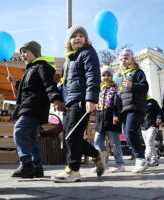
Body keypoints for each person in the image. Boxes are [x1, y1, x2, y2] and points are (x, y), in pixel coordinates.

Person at [51, 26, 104, 183]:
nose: (78, 38)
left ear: (86, 39)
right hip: (69, 102)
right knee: (69, 137)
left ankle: (73, 170)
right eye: (74, 36)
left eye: (81, 35)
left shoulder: (88, 53)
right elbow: (65, 82)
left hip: (81, 99)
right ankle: (96, 154)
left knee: (72, 136)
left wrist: (91, 99)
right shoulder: (69, 59)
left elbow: (93, 75)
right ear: (68, 41)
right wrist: (60, 100)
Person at [8, 40, 65, 178]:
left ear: (35, 52)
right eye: (21, 52)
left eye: (25, 51)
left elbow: (48, 84)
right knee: (32, 138)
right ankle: (37, 167)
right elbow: (28, 88)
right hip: (29, 105)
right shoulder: (30, 69)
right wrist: (16, 83)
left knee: (19, 131)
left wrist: (56, 98)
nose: (22, 54)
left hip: (33, 106)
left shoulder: (41, 66)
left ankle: (26, 164)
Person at [116, 48, 149, 173]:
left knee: (130, 131)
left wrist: (132, 85)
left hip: (135, 107)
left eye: (126, 58)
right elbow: (118, 96)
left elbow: (145, 87)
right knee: (128, 135)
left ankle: (141, 159)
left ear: (131, 59)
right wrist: (116, 112)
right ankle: (140, 158)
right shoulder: (120, 78)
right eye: (121, 59)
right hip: (124, 109)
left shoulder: (137, 72)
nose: (123, 61)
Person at [92, 66, 125, 173]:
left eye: (108, 75)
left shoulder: (115, 88)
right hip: (99, 118)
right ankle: (103, 162)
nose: (106, 77)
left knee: (114, 143)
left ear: (111, 76)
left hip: (111, 118)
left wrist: (117, 115)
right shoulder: (99, 89)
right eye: (103, 75)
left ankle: (120, 164)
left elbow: (118, 104)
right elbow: (95, 103)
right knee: (97, 141)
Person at [141, 95, 161, 166]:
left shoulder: (152, 102)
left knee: (149, 142)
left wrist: (159, 118)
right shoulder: (138, 101)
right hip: (143, 126)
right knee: (149, 143)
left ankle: (147, 158)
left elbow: (159, 111)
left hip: (152, 125)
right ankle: (155, 159)